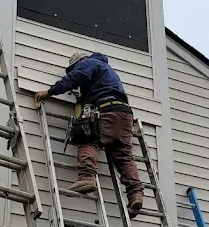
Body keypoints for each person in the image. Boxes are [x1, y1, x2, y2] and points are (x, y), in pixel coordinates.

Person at [36, 51, 144, 217]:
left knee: (88, 140)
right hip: (124, 114)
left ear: (79, 62)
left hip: (106, 109)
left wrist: (49, 92)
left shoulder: (88, 63)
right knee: (124, 157)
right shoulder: (106, 70)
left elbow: (75, 78)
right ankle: (136, 193)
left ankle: (87, 177)